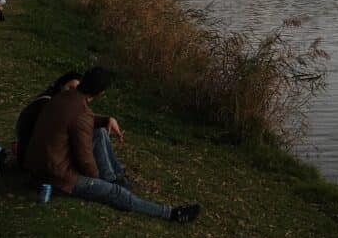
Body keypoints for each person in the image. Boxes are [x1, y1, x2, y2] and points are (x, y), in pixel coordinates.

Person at [24, 67, 200, 223]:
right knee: (115, 193)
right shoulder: (81, 113)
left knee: (100, 131)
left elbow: (80, 121)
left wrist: (106, 120)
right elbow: (85, 161)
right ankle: (171, 213)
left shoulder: (64, 96)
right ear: (101, 93)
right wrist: (95, 178)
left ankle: (114, 177)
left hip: (40, 164)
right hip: (55, 177)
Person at [15, 71, 82, 167]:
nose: (72, 93)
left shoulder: (56, 101)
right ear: (61, 86)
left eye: (76, 91)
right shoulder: (48, 105)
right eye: (70, 88)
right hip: (34, 161)